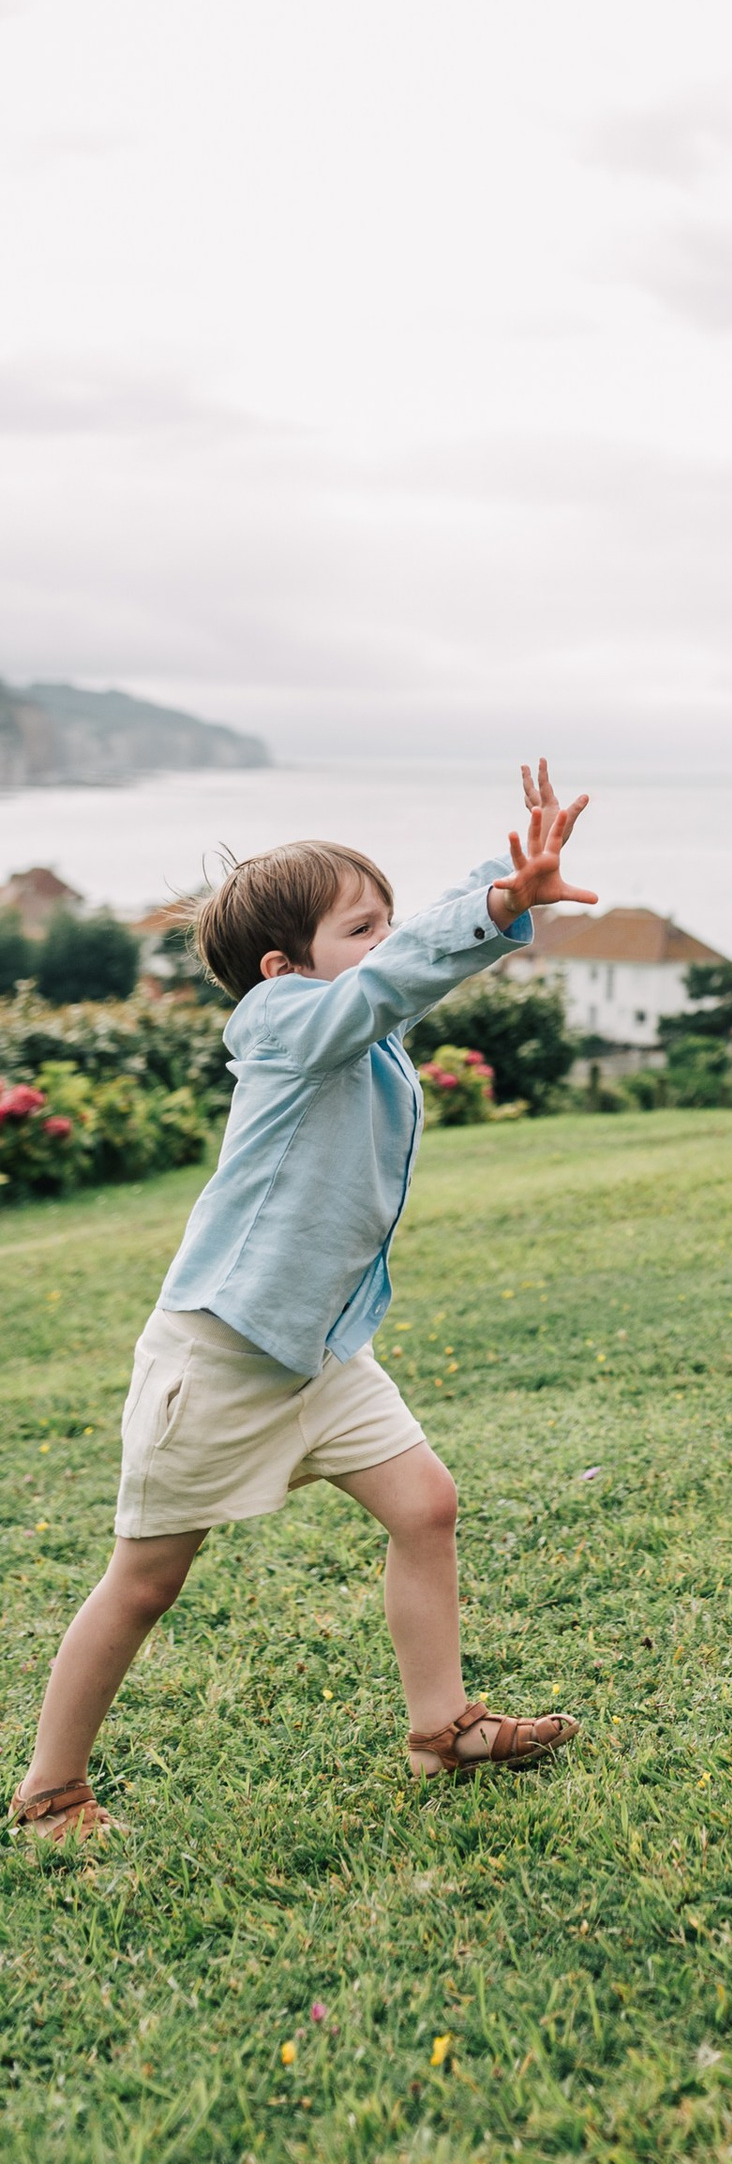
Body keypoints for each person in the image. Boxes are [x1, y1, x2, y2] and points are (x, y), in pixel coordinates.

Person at [8, 765, 597, 1846]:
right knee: (145, 1583)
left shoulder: (350, 1019)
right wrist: (500, 910)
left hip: (320, 1352)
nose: (388, 942)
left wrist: (501, 881)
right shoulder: (280, 1025)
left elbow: (405, 957)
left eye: (383, 921)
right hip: (222, 1355)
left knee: (425, 1507)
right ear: (283, 968)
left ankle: (441, 1729)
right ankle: (51, 1789)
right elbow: (390, 982)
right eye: (360, 927)